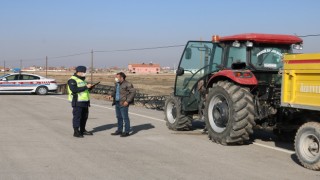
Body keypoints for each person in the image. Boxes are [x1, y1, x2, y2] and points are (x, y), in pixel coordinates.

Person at [67, 66, 94, 138]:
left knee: (84, 117)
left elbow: (85, 90)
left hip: (85, 101)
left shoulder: (82, 80)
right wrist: (86, 87)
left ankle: (83, 130)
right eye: (83, 72)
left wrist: (90, 88)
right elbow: (74, 90)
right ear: (79, 72)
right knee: (77, 117)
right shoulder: (72, 80)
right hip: (77, 101)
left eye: (85, 72)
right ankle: (76, 131)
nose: (84, 73)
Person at [111, 72, 136, 137]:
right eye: (115, 77)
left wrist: (127, 101)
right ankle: (119, 130)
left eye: (117, 77)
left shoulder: (128, 84)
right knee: (119, 117)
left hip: (123, 103)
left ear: (122, 78)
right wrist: (111, 95)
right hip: (117, 102)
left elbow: (133, 92)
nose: (116, 78)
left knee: (125, 117)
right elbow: (115, 91)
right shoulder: (117, 84)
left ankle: (126, 131)